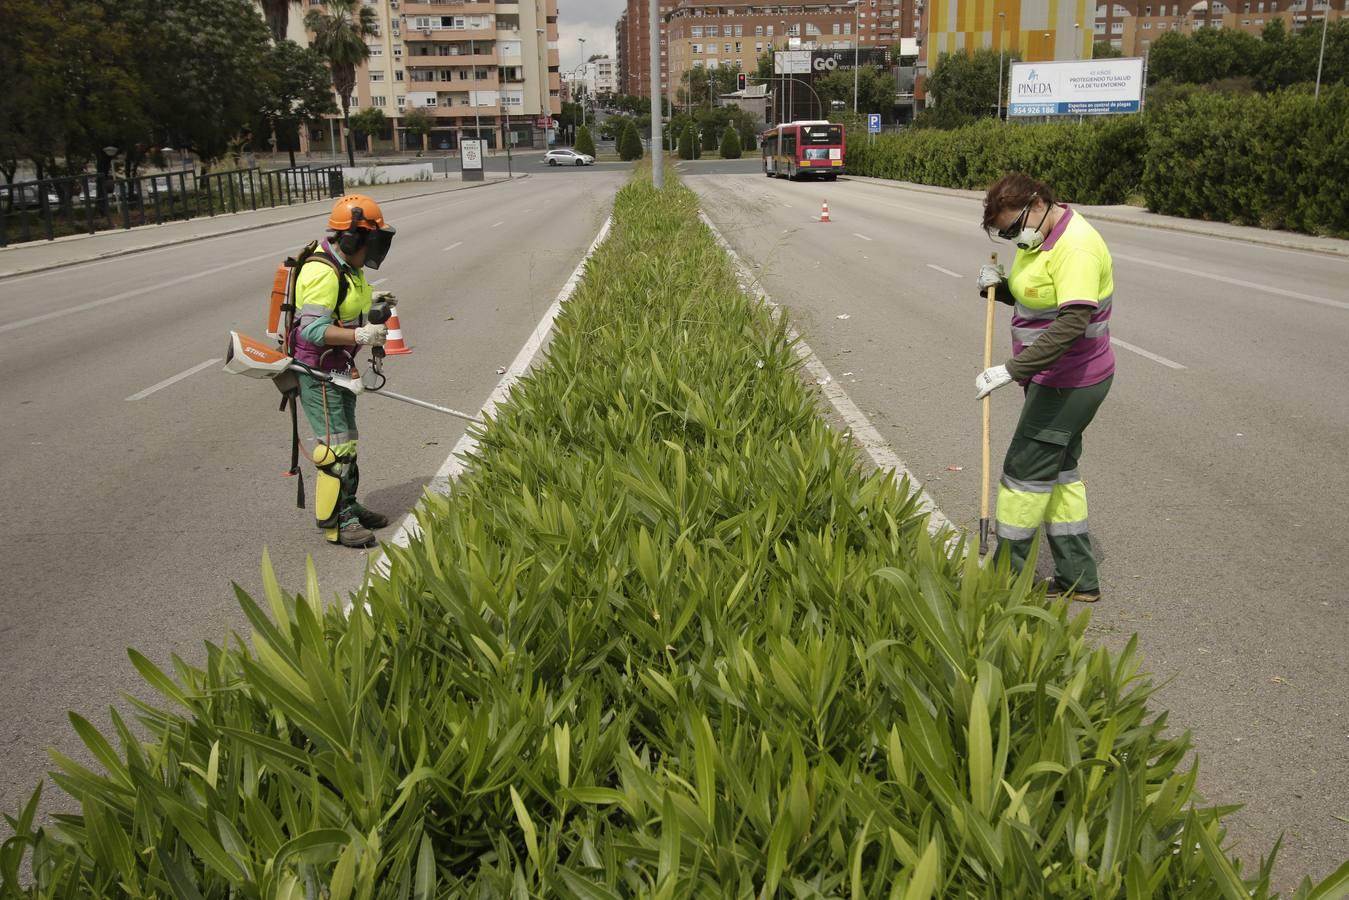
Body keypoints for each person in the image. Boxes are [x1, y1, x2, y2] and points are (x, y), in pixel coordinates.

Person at [975, 174, 1115, 602]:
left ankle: (1004, 582)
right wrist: (999, 290)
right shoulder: (1044, 239)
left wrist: (1012, 369)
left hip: (1069, 382)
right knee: (1059, 476)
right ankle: (1078, 578)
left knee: (1023, 475)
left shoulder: (1076, 247)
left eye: (1014, 228)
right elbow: (1042, 299)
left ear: (1037, 205)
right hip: (1052, 378)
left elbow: (1072, 322)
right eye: (1005, 234)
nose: (1014, 237)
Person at [291, 194, 397, 548]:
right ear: (351, 238)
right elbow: (313, 330)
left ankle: (349, 503)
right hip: (318, 373)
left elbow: (347, 303)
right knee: (336, 447)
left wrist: (375, 300)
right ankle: (337, 522)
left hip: (339, 369)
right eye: (371, 241)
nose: (374, 250)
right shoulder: (322, 271)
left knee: (347, 440)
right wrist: (362, 334)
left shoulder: (348, 268)